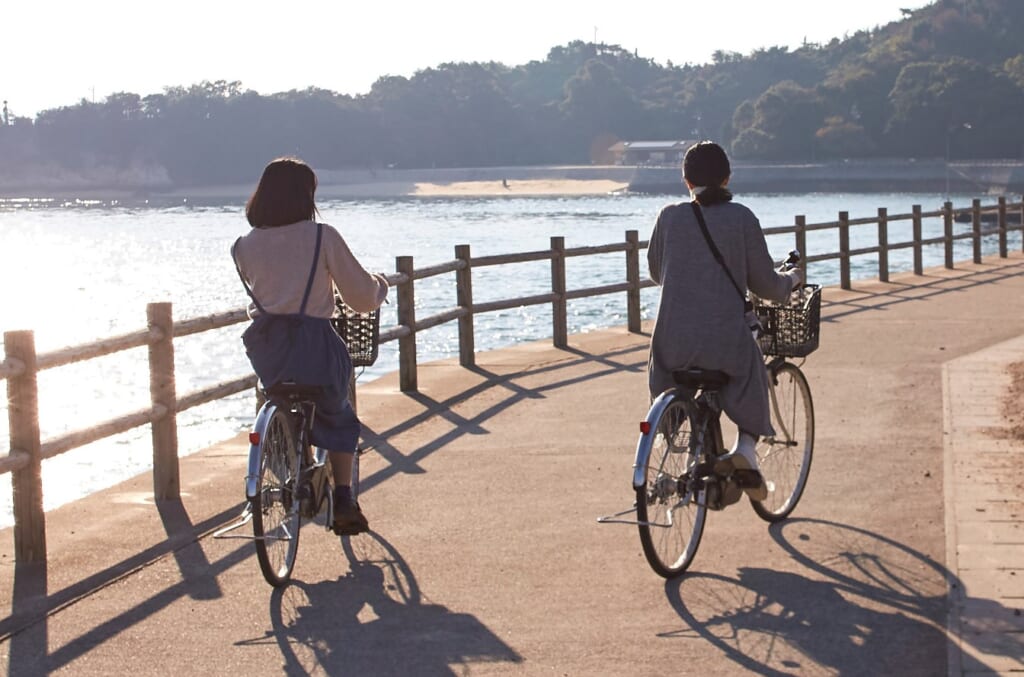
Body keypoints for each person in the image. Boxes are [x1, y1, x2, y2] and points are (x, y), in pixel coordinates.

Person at [231, 157, 388, 534]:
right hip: (314, 343)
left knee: (279, 400)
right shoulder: (322, 236)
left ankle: (294, 465)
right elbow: (362, 297)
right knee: (337, 415)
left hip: (268, 350)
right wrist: (381, 286)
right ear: (306, 196)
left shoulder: (242, 247)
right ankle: (345, 497)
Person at [646, 141, 802, 497]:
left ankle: (683, 443)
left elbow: (658, 273)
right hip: (722, 343)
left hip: (672, 345)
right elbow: (767, 286)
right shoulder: (741, 218)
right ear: (728, 177)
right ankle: (746, 449)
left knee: (678, 382)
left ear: (686, 181)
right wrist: (792, 279)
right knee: (750, 370)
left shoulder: (669, 217)